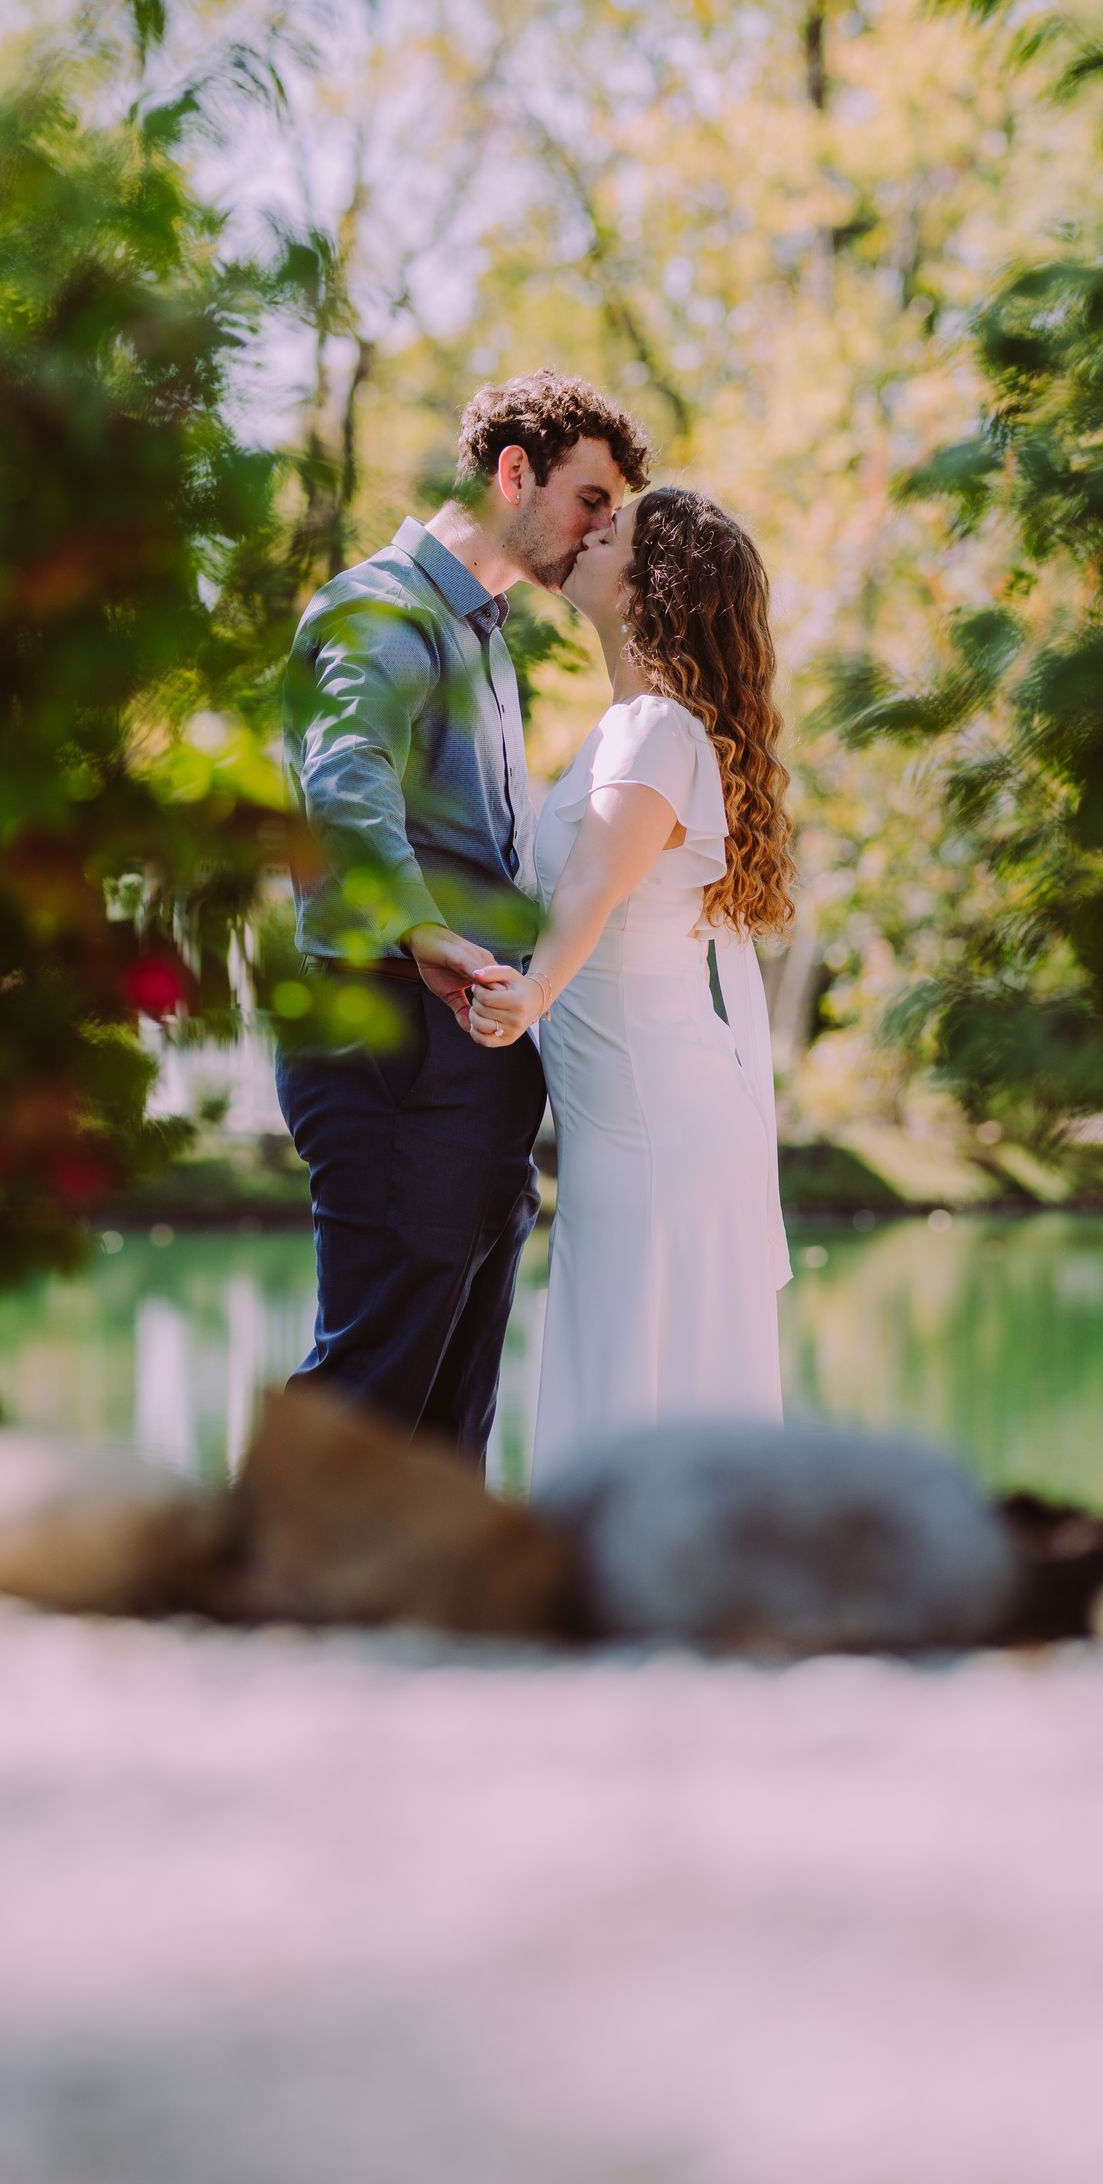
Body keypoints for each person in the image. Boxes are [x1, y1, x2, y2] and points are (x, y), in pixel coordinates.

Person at [277, 371, 651, 1458]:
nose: (597, 532)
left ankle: (431, 1618)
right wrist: (429, 936)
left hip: (471, 1053)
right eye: (590, 500)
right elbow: (344, 783)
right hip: (388, 1034)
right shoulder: (380, 607)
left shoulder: (485, 633)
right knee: (375, 1379)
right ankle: (267, 1599)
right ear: (514, 472)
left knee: (450, 1415)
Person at [469, 485, 795, 1488]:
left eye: (609, 533)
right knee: (629, 1365)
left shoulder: (655, 729)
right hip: (636, 1120)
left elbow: (589, 893)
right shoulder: (635, 726)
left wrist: (531, 996)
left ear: (654, 587)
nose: (585, 534)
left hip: (661, 1127)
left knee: (637, 1373)